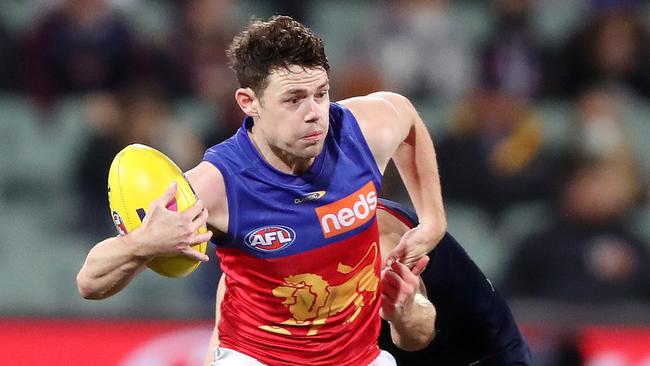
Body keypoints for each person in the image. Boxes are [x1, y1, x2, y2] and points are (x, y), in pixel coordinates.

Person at [76, 15, 446, 366]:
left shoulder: (363, 131)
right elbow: (89, 283)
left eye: (321, 93)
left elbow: (406, 116)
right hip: (257, 357)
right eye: (293, 99)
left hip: (359, 358)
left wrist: (432, 221)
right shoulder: (216, 184)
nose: (314, 112)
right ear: (248, 102)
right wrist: (139, 245)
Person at [202, 198, 531, 365]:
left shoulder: (374, 240)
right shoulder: (245, 274)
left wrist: (402, 309)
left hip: (476, 354)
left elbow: (418, 333)